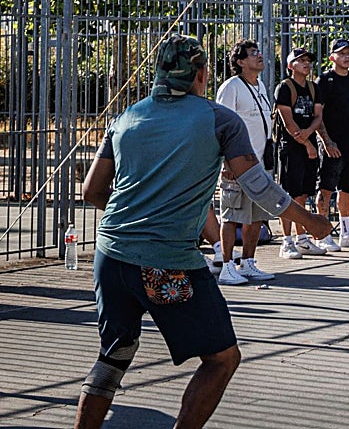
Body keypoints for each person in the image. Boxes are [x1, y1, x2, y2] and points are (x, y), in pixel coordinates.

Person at [76, 35, 331, 429]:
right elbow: (257, 185)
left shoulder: (127, 117)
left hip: (110, 256)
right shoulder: (218, 118)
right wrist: (311, 221)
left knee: (114, 356)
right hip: (167, 264)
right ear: (200, 74)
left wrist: (138, 219)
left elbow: (93, 191)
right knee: (222, 358)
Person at [213, 39, 276, 285]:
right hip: (236, 164)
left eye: (258, 51)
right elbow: (220, 125)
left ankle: (248, 262)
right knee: (231, 215)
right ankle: (227, 266)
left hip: (259, 163)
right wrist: (226, 162)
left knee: (256, 215)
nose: (259, 56)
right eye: (252, 53)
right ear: (240, 62)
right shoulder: (231, 87)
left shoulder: (260, 85)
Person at [315, 38, 349, 250]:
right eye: (341, 53)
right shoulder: (324, 81)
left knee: (347, 187)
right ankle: (322, 233)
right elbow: (318, 115)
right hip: (331, 143)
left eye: (348, 53)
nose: (346, 57)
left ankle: (346, 231)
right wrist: (326, 141)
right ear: (332, 57)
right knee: (326, 187)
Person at [275, 47, 328, 259]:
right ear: (291, 65)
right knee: (288, 194)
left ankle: (302, 238)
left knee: (303, 194)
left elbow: (318, 116)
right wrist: (306, 143)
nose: (306, 63)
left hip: (309, 142)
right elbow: (288, 121)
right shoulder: (285, 87)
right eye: (301, 60)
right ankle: (286, 241)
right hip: (292, 146)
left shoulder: (314, 88)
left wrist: (309, 133)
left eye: (308, 60)